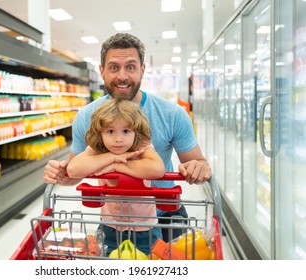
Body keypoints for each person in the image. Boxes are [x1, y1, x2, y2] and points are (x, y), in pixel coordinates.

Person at [44, 32, 212, 242]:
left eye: (130, 67)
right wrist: (61, 174)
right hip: (116, 220)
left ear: (142, 70)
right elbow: (75, 172)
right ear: (102, 71)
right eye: (114, 67)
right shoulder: (87, 116)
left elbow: (196, 161)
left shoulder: (172, 114)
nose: (122, 76)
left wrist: (200, 167)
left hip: (166, 213)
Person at [67, 98, 165, 255]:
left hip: (145, 230)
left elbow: (158, 169)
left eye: (126, 131)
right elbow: (73, 169)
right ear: (100, 133)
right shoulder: (98, 148)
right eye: (110, 131)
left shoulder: (142, 146)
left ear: (136, 132)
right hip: (109, 228)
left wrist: (117, 166)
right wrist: (110, 158)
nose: (118, 139)